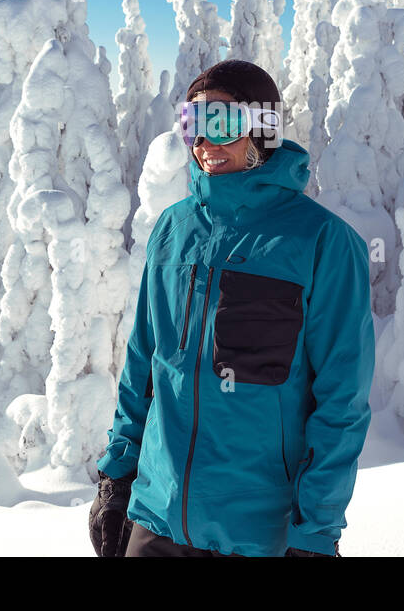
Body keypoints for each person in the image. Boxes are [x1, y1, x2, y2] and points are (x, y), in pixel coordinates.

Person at [88, 58, 375, 557]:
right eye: (191, 126)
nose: (203, 143)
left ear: (263, 128)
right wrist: (116, 479)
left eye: (218, 124)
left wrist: (315, 532)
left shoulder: (324, 243)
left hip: (259, 535)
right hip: (156, 519)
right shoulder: (174, 229)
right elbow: (144, 363)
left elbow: (341, 403)